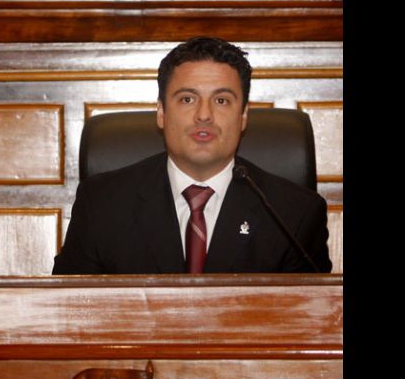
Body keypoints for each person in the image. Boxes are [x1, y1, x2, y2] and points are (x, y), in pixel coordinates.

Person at [53, 37, 332, 274]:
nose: (204, 115)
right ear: (161, 113)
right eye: (187, 99)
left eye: (221, 100)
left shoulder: (293, 215)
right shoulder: (102, 205)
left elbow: (312, 316)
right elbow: (67, 309)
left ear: (244, 116)